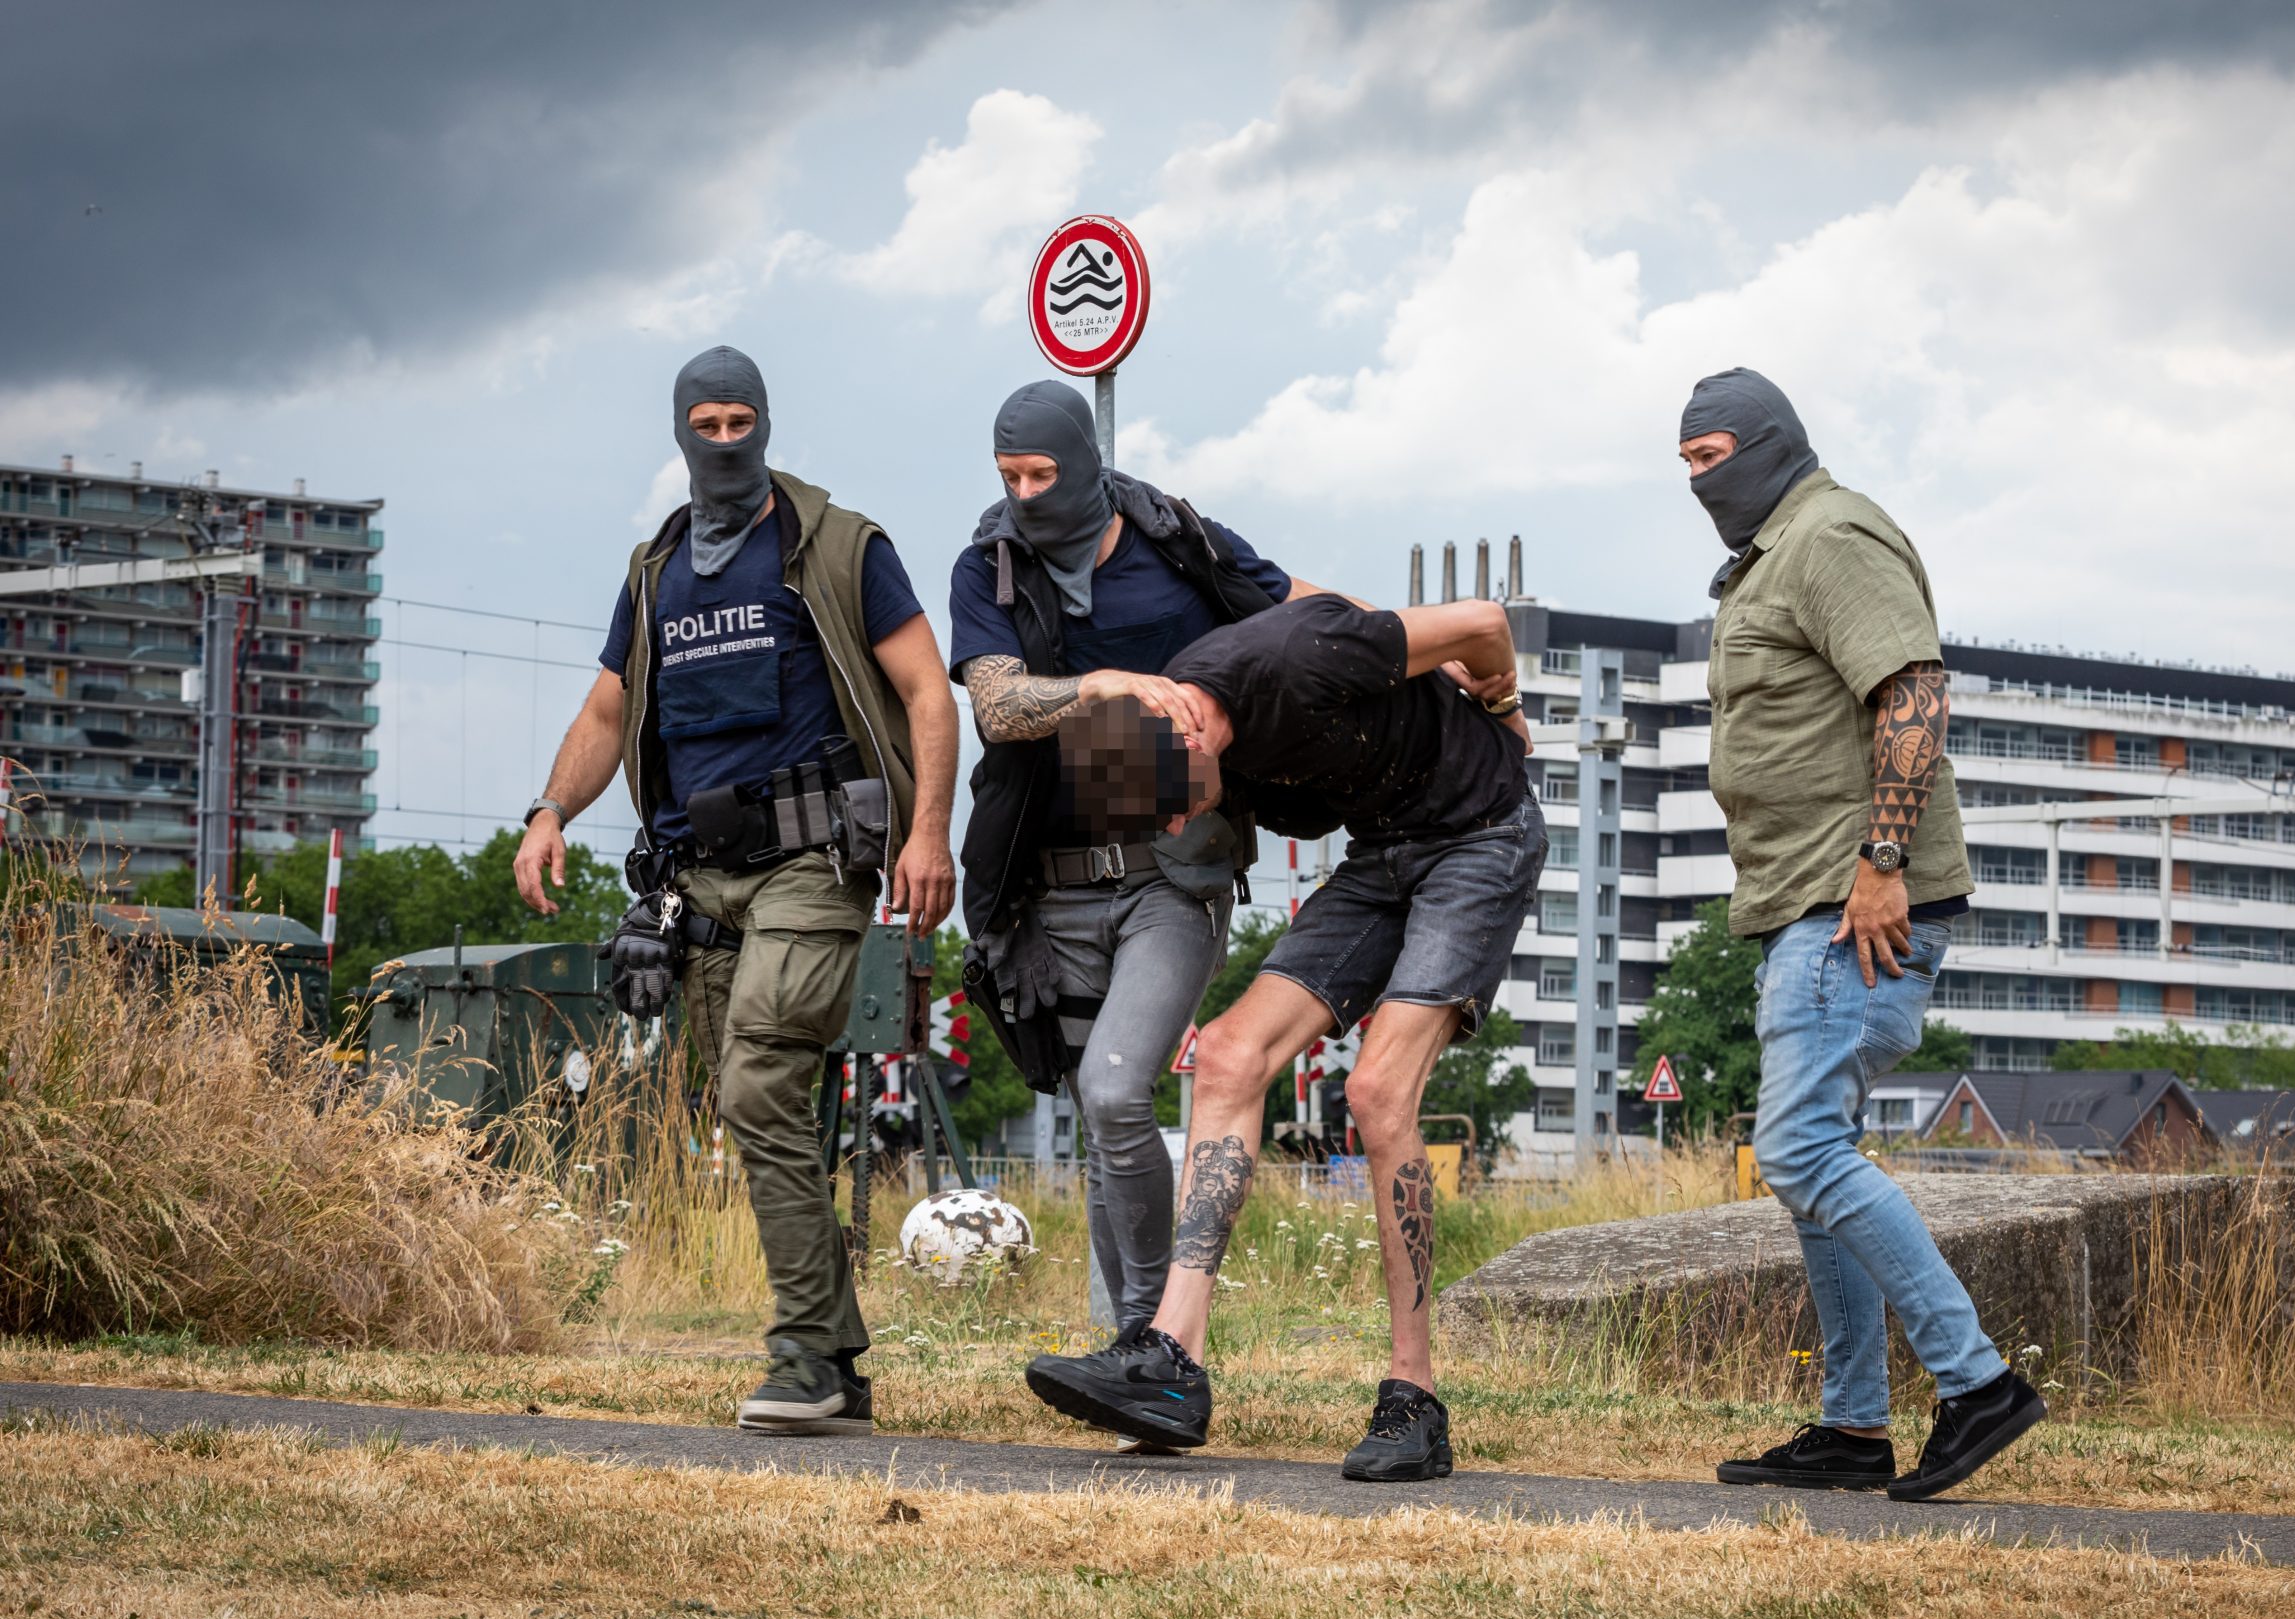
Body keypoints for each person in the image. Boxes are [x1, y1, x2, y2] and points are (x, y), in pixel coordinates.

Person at [513, 345, 958, 1436]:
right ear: (680, 432)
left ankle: (801, 1356)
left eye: (740, 422)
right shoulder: (655, 571)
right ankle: (841, 1357)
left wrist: (931, 831)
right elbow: (608, 712)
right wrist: (548, 812)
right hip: (698, 882)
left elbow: (925, 690)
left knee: (760, 1082)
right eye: (706, 425)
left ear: (767, 424)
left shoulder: (838, 546)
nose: (725, 443)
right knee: (755, 1108)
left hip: (817, 860)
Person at [1022, 592, 1539, 1482]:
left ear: (1193, 732)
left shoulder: (1303, 655)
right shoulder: (1168, 738)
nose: (1181, 827)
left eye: (1177, 807)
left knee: (1378, 1091)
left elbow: (1487, 622)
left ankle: (1414, 1400)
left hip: (1481, 834)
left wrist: (1502, 707)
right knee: (1227, 1051)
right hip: (1384, 855)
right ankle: (1172, 1365)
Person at [1679, 366, 2042, 1501]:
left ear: (1775, 443)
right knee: (1811, 1158)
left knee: (1795, 1152)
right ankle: (1851, 1427)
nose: (1700, 480)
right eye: (1686, 464)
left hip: (1857, 906)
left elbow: (1914, 690)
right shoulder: (1771, 556)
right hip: (1804, 905)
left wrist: (1882, 860)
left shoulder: (1832, 535)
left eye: (1715, 455)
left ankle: (1976, 1382)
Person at [948, 381, 1336, 1397]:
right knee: (1095, 1117)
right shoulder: (986, 565)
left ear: (1085, 464)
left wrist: (1420, 653)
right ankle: (1138, 1354)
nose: (1028, 494)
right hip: (1052, 885)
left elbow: (1300, 610)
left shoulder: (1175, 539)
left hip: (1174, 873)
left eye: (1043, 475)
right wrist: (1106, 684)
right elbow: (994, 706)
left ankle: (1154, 1346)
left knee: (1118, 1088)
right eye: (1010, 478)